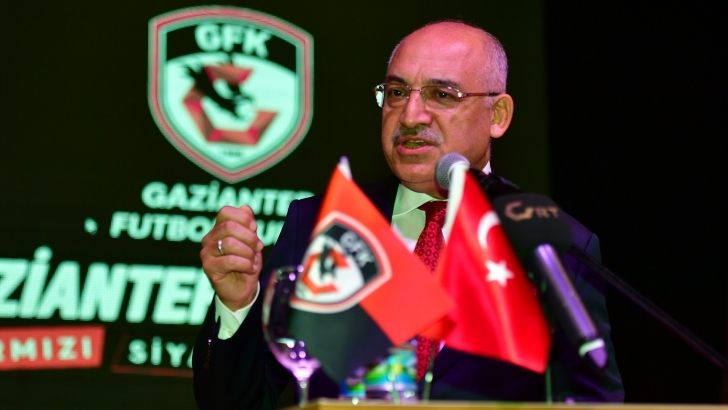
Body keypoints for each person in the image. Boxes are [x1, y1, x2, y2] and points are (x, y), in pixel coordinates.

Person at [193, 20, 625, 408]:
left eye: (442, 95)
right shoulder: (321, 224)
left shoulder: (553, 246)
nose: (411, 115)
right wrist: (236, 307)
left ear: (497, 115)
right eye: (397, 93)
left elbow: (594, 401)